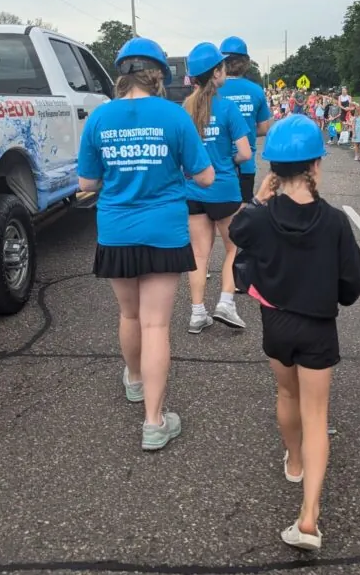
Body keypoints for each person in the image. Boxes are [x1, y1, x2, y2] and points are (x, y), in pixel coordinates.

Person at [229, 116, 360, 550]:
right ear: (316, 167)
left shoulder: (261, 218)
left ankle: (293, 460)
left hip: (277, 324)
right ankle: (309, 518)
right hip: (318, 328)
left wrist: (259, 197)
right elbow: (350, 287)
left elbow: (236, 230)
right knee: (317, 416)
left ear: (274, 172)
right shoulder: (335, 222)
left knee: (286, 395)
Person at [77, 38, 214, 451]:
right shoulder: (174, 116)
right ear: (158, 75)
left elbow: (87, 183)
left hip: (116, 229)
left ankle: (134, 380)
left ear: (121, 74)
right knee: (156, 324)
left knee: (129, 314)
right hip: (164, 230)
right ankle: (154, 422)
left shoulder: (99, 119)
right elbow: (205, 177)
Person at [184, 42, 252, 333]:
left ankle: (197, 313)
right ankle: (226, 303)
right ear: (216, 74)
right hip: (224, 189)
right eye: (222, 67)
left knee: (199, 254)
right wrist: (226, 159)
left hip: (193, 191)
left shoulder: (184, 110)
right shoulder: (228, 108)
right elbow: (246, 154)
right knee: (234, 248)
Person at [218, 36, 271, 204]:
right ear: (246, 62)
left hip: (217, 162)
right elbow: (263, 128)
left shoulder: (212, 90)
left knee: (213, 214)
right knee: (241, 214)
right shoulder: (256, 91)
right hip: (245, 164)